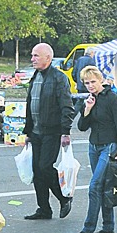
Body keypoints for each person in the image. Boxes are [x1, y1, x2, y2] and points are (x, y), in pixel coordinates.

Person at [73, 66, 117, 233]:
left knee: (94, 187)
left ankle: (88, 229)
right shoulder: (89, 100)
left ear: (101, 81)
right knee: (104, 187)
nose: (90, 85)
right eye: (87, 83)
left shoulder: (112, 98)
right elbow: (82, 126)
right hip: (94, 146)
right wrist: (87, 110)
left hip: (110, 146)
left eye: (93, 82)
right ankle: (108, 227)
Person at [23, 42, 74, 221]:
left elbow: (67, 106)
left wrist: (65, 131)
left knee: (45, 167)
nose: (32, 59)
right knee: (37, 171)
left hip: (52, 132)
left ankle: (64, 198)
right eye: (32, 55)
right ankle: (44, 209)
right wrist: (28, 131)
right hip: (36, 132)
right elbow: (31, 104)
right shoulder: (35, 76)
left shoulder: (59, 78)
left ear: (48, 58)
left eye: (36, 55)